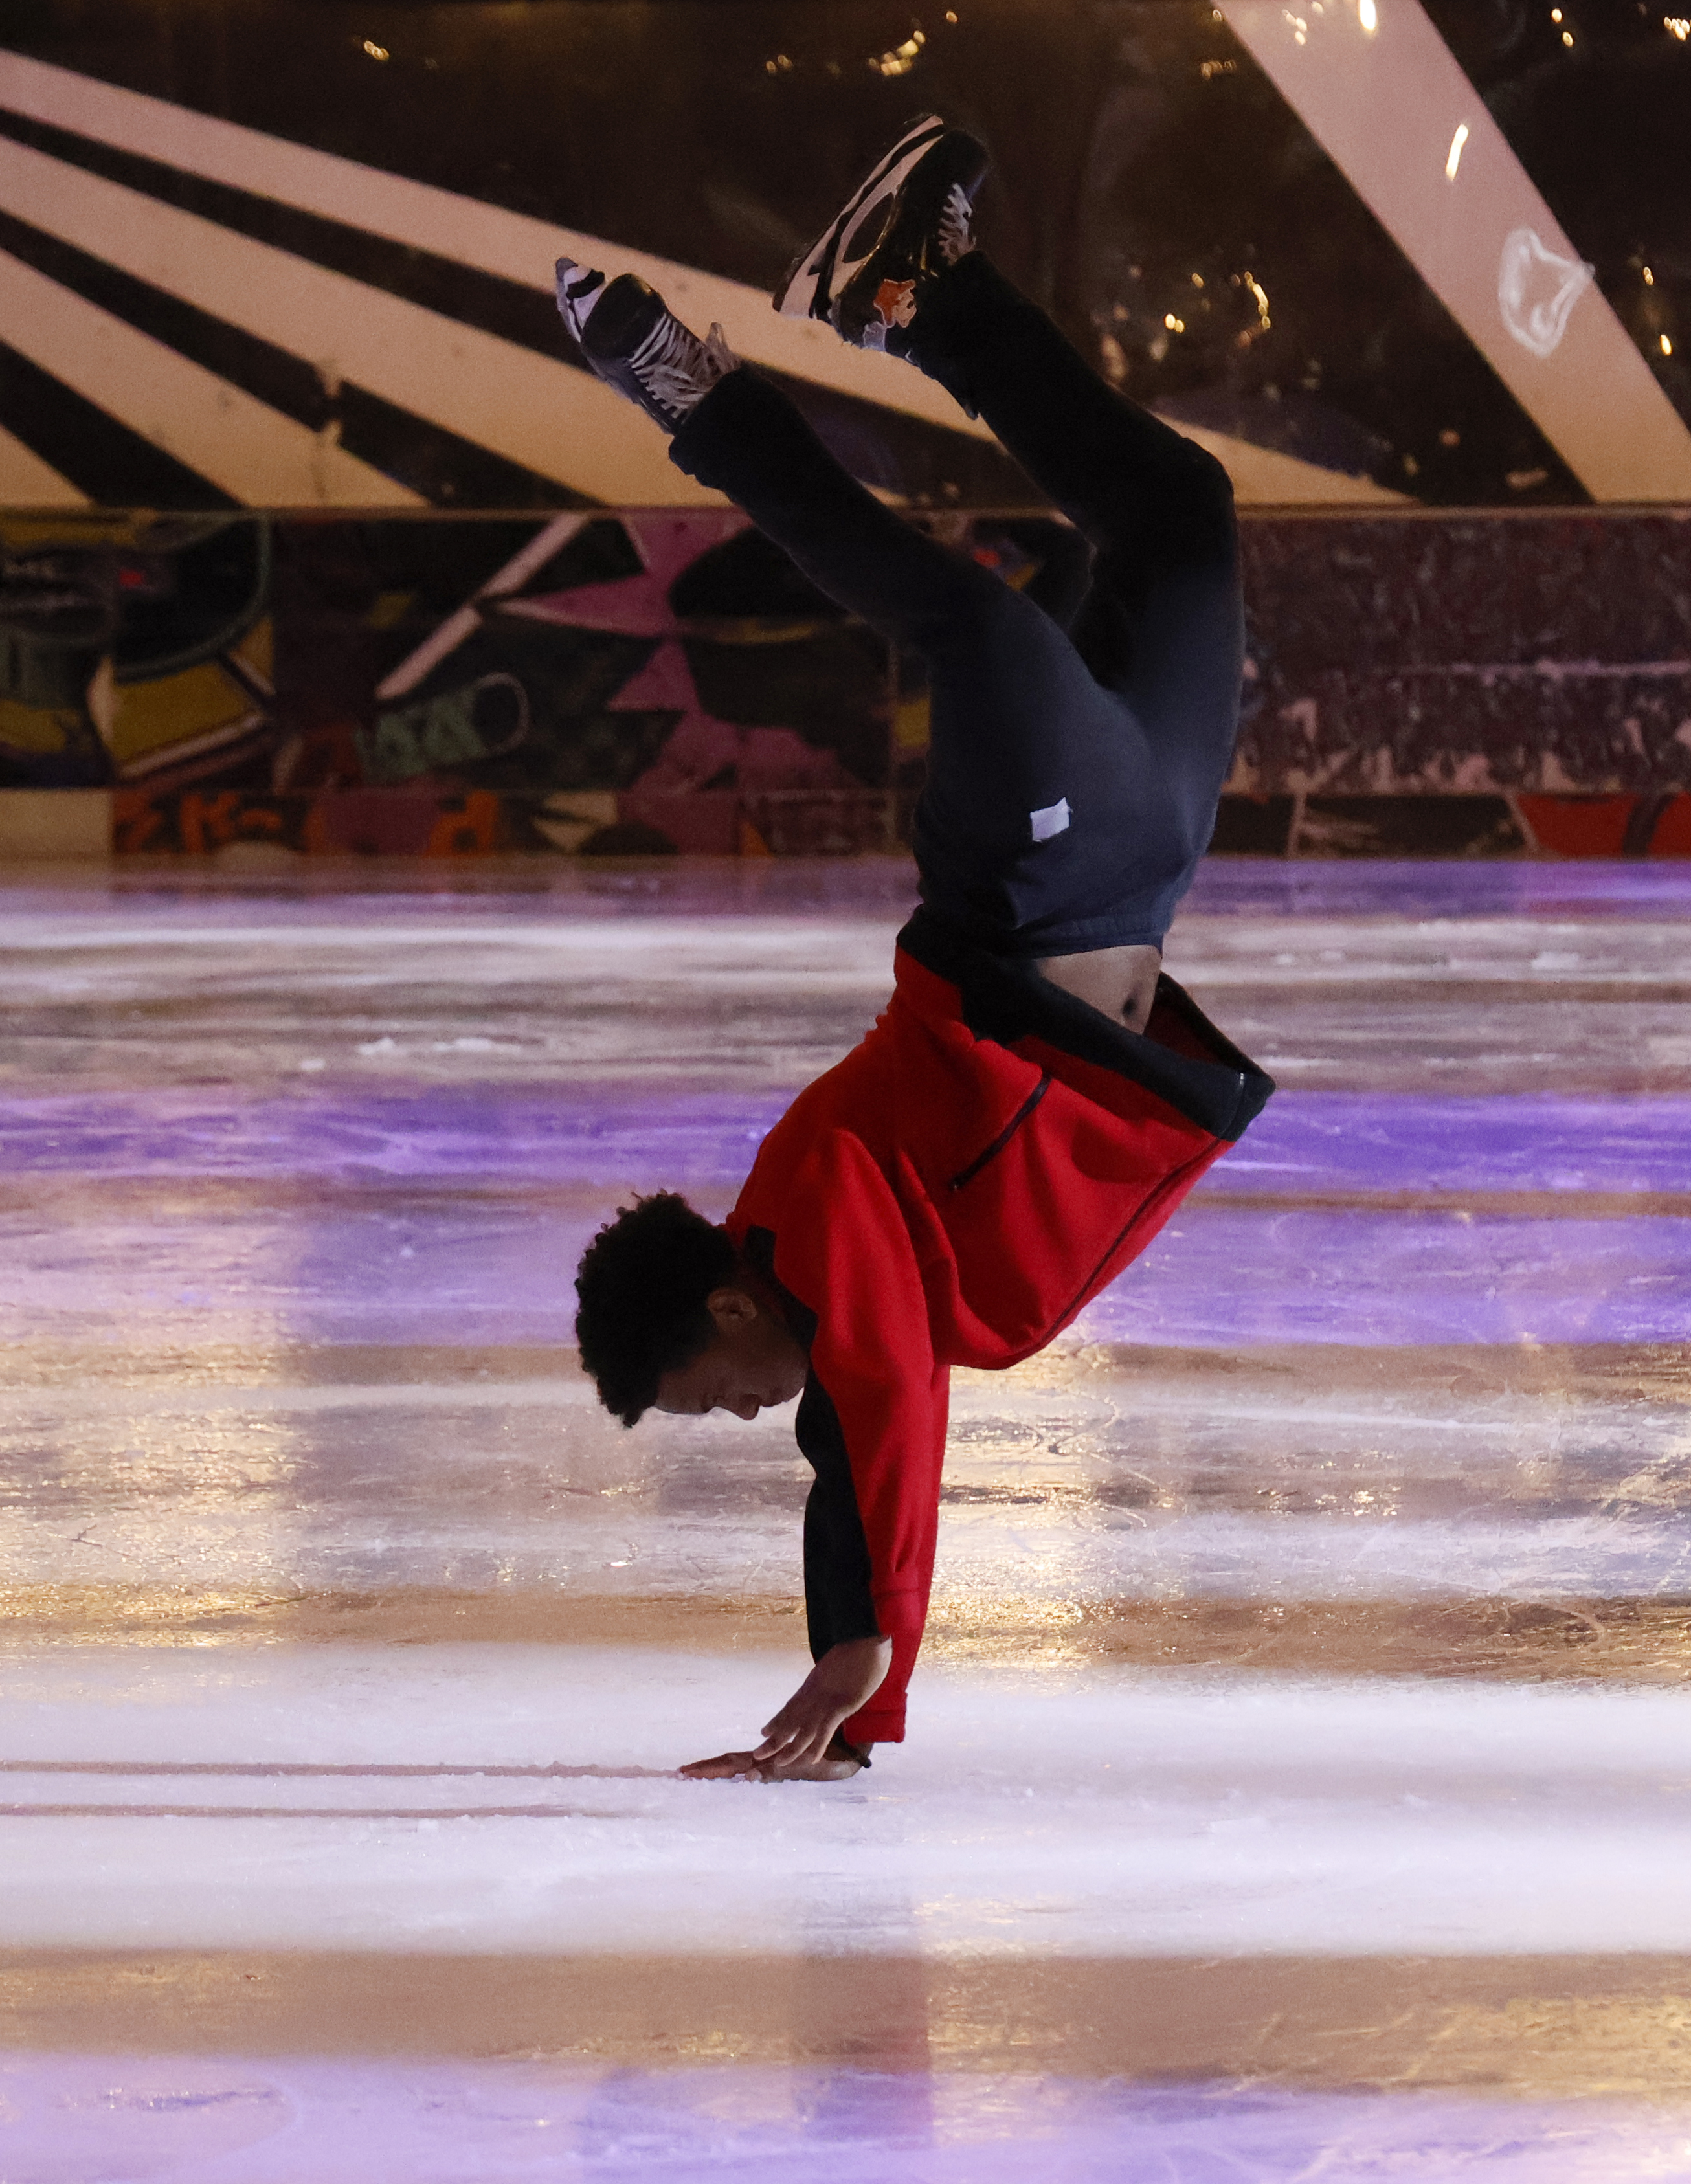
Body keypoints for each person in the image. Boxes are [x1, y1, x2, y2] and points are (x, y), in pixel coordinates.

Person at [557, 117, 1275, 1782]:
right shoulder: (806, 1278)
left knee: (980, 626)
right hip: (1141, 867)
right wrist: (854, 1700)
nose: (750, 1411)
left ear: (731, 1297)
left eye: (715, 1390)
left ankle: (703, 404)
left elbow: (881, 1406)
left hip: (1034, 900)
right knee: (1176, 510)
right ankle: (918, 297)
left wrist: (866, 1660)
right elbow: (843, 1451)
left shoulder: (809, 1201)